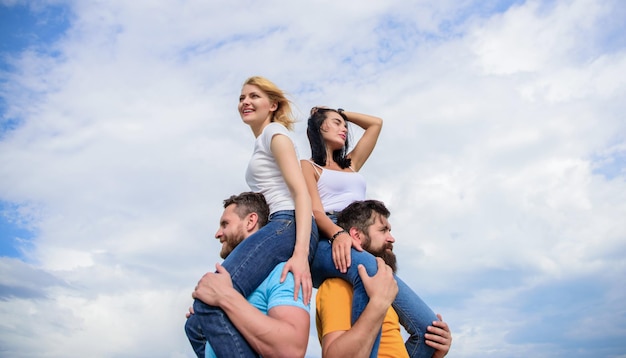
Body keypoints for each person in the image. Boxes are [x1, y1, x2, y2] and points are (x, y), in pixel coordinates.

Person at [185, 77, 318, 357]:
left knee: (211, 297)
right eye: (242, 98)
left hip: (287, 224)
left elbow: (301, 194)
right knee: (196, 324)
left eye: (254, 96)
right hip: (281, 225)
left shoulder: (274, 133)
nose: (245, 102)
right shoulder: (263, 141)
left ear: (272, 104)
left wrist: (300, 254)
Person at [303, 107, 438, 357]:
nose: (344, 128)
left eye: (344, 124)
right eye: (336, 123)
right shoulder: (308, 166)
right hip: (326, 238)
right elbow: (316, 212)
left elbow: (375, 124)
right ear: (319, 128)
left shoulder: (351, 164)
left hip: (353, 232)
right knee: (372, 272)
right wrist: (338, 234)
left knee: (430, 331)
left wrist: (340, 111)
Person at [316, 200, 452, 358]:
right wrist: (377, 304)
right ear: (356, 235)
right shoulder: (337, 287)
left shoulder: (387, 292)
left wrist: (434, 353)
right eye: (383, 230)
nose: (392, 238)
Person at [186, 192, 310, 357]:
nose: (218, 234)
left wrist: (225, 298)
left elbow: (292, 350)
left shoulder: (282, 272)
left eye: (225, 224)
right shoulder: (230, 281)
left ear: (251, 221)